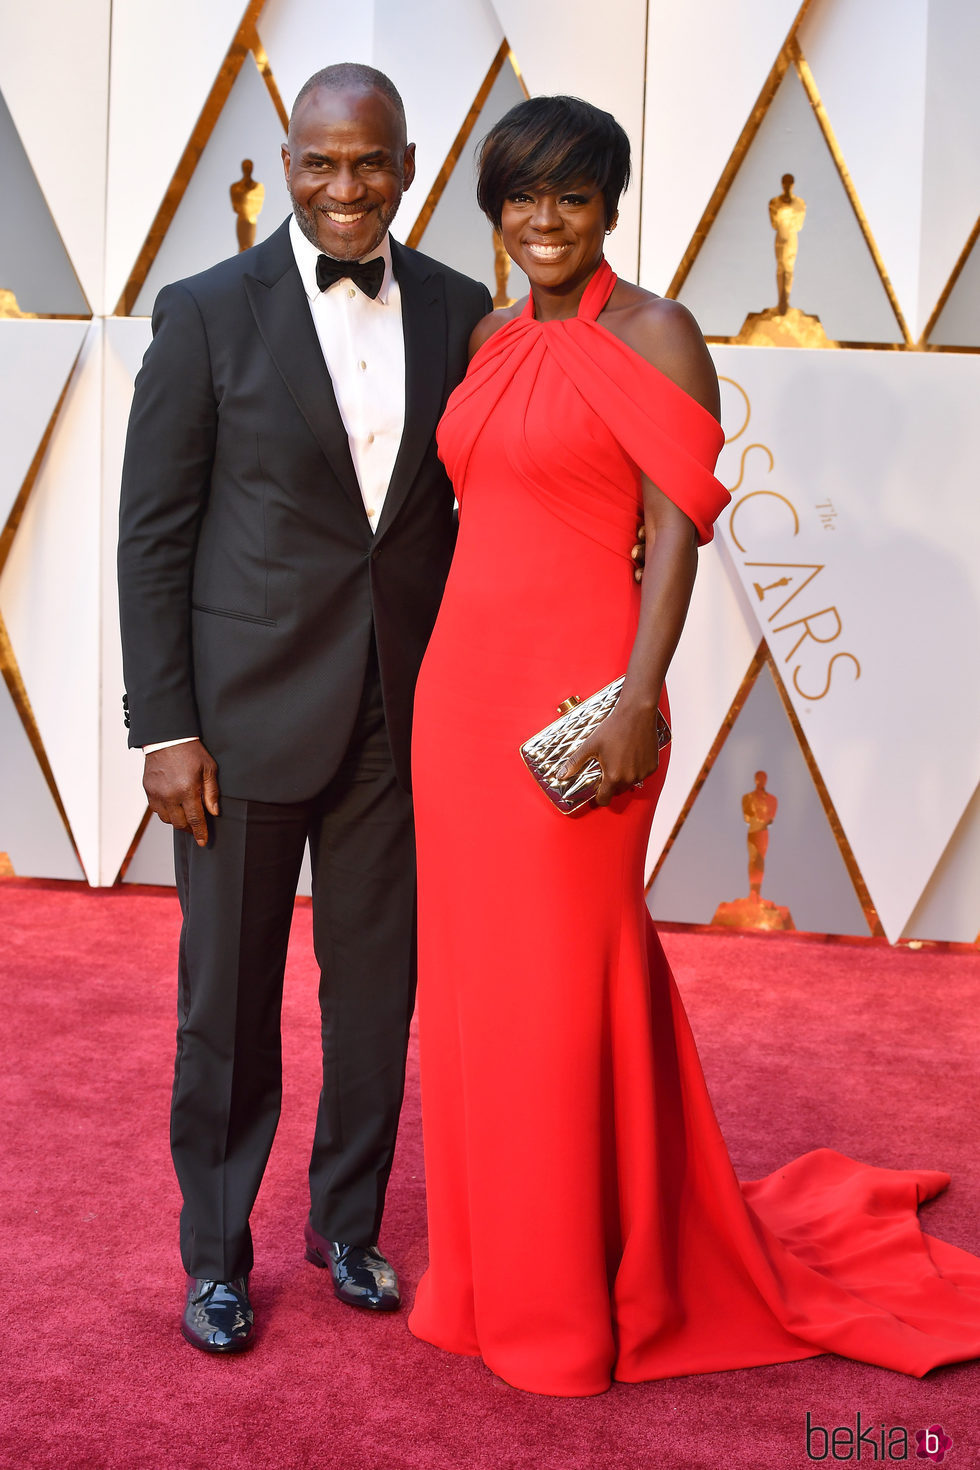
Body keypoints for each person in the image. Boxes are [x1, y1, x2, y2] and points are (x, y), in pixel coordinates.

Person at [407, 95, 980, 1396]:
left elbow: (675, 531)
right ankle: (483, 1278)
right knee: (479, 992)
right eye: (519, 197)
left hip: (586, 706)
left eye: (570, 196)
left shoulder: (659, 334)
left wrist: (637, 695)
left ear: (612, 205)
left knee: (567, 987)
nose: (542, 220)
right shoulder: (489, 337)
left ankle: (568, 1304)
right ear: (492, 212)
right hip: (462, 703)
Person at [117, 64, 491, 1354]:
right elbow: (154, 534)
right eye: (322, 164)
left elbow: (469, 509)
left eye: (370, 163)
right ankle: (217, 1260)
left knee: (374, 997)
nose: (347, 189)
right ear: (287, 161)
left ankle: (349, 1228)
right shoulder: (207, 313)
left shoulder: (461, 309)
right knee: (226, 1001)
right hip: (238, 725)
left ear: (406, 163)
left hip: (401, 719)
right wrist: (164, 724)